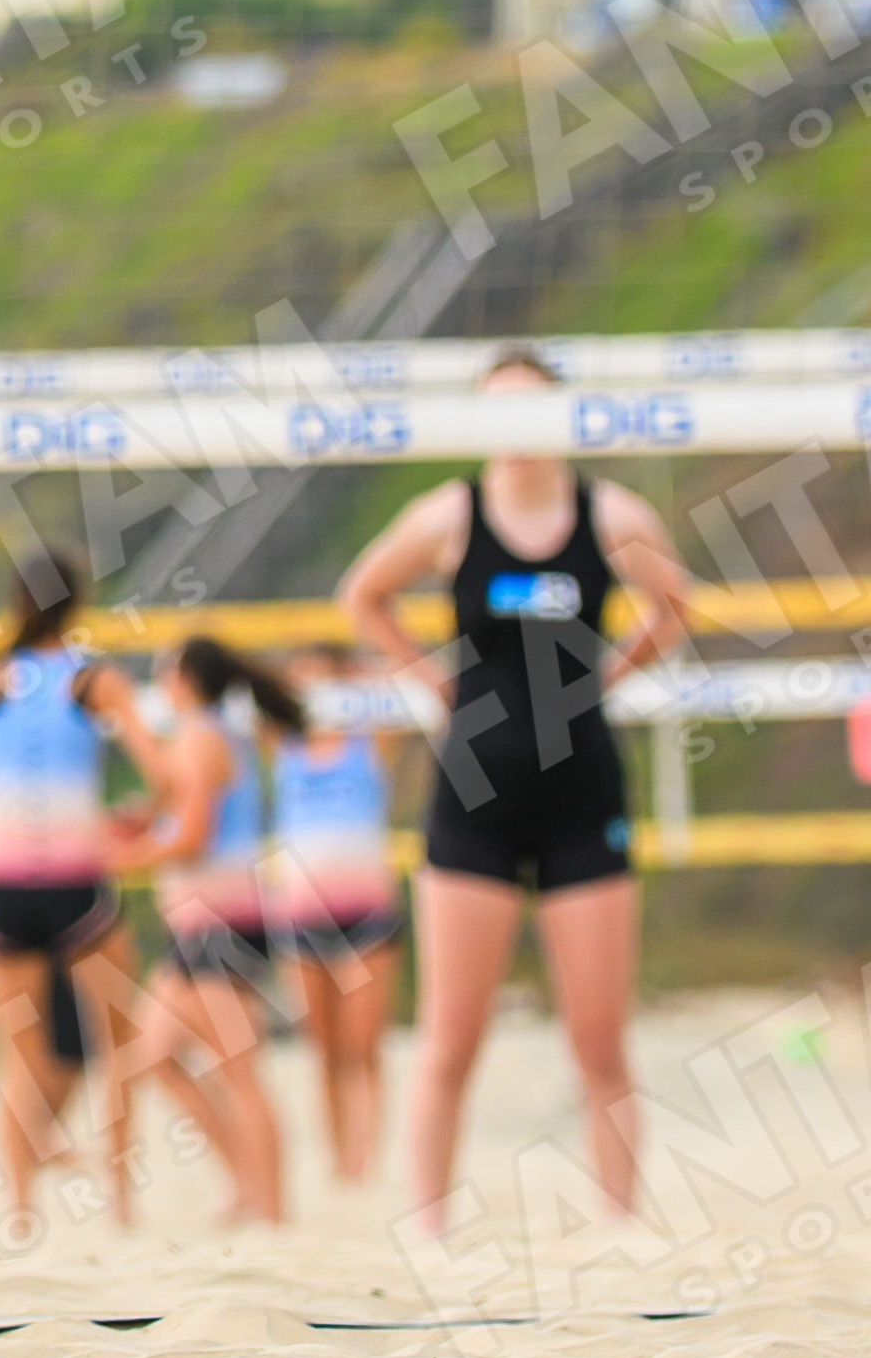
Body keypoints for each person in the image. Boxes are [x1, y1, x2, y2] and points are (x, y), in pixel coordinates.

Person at [340, 346, 691, 1225]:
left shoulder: (611, 514)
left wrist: (609, 675)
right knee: (451, 1037)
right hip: (475, 791)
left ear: (560, 415)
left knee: (599, 1041)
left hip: (582, 791)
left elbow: (677, 604)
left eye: (532, 406)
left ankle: (618, 1224)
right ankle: (429, 1223)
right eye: (502, 408)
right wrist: (431, 679)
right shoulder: (449, 515)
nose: (519, 427)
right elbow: (362, 596)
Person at [0, 554, 163, 1235]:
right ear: (78, 603)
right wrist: (138, 815)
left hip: (3, 880)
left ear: (15, 600)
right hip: (77, 877)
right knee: (117, 1046)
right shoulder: (94, 680)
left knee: (19, 1057)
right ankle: (121, 1204)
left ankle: (19, 1209)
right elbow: (162, 774)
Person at [112, 636, 301, 1228]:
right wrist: (146, 826)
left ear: (186, 679)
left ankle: (272, 1209)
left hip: (221, 920)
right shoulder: (213, 733)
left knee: (238, 1071)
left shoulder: (202, 736)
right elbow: (185, 812)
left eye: (164, 669)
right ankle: (248, 1186)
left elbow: (194, 838)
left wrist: (121, 856)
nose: (158, 680)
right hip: (202, 923)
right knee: (157, 1057)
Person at [267, 639, 404, 1187]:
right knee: (323, 1050)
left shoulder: (368, 742)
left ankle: (366, 1161)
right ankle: (339, 1160)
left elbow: (396, 689)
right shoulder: (285, 745)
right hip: (300, 917)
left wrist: (359, 675)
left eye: (323, 680)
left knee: (363, 1046)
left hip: (366, 915)